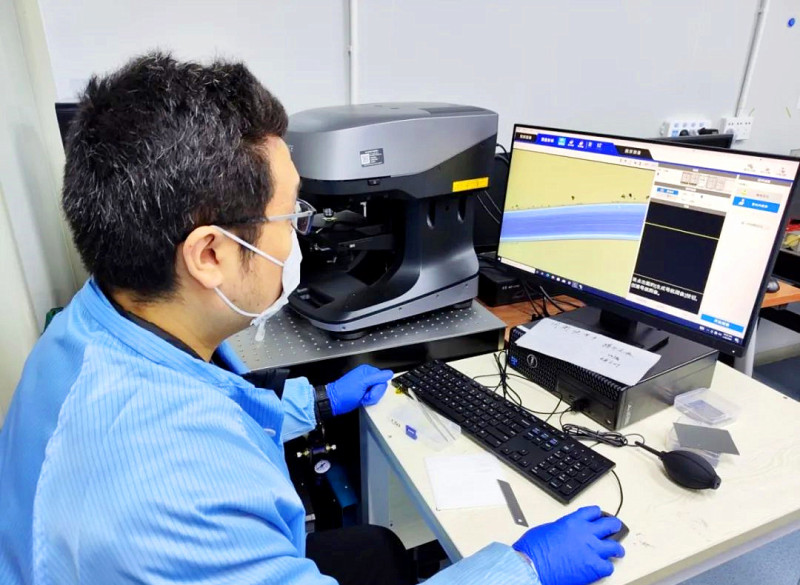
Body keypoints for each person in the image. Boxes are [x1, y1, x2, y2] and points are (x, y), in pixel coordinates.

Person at [0, 53, 624, 585]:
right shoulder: (179, 498)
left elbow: (210, 402)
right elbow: (190, 470)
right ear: (210, 254)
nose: (303, 233)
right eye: (292, 216)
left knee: (376, 547)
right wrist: (524, 567)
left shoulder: (90, 326)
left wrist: (316, 403)